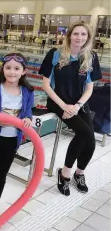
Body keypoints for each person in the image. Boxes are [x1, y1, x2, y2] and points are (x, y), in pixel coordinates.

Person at [39, 20, 102, 196]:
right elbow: (46, 85)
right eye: (76, 33)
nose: (79, 37)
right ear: (69, 36)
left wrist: (77, 106)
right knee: (85, 133)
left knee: (90, 139)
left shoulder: (91, 57)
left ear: (88, 37)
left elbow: (89, 88)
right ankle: (64, 174)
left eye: (83, 34)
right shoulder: (55, 54)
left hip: (79, 103)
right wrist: (64, 106)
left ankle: (79, 173)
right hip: (58, 101)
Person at [0, 53, 35, 223]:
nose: (12, 72)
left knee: (2, 175)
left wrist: (28, 119)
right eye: (8, 68)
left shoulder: (28, 92)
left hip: (12, 140)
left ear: (24, 71)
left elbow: (28, 112)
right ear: (2, 69)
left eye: (16, 68)